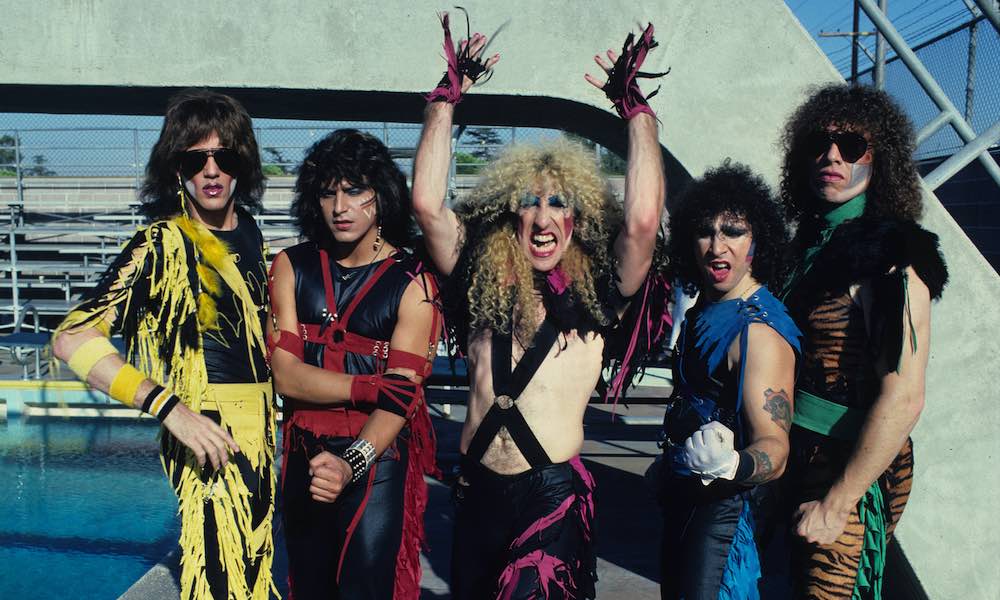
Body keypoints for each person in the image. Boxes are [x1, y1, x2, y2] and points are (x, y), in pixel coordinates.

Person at [411, 13, 666, 600]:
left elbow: (644, 220)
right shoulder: (479, 276)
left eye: (560, 203)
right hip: (475, 491)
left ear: (578, 220)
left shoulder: (600, 290)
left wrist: (636, 113)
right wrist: (447, 97)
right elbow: (427, 204)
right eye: (531, 201)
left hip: (551, 495)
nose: (545, 216)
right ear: (512, 212)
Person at [52, 89, 276, 600]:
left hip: (262, 432)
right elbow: (71, 339)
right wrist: (168, 407)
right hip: (206, 427)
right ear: (177, 169)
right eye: (196, 158)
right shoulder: (159, 244)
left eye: (226, 156)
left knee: (254, 573)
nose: (212, 171)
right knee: (220, 580)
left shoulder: (252, 233)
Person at [778, 84, 948, 599]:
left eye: (852, 147)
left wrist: (839, 500)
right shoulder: (808, 245)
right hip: (798, 455)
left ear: (881, 161)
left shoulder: (891, 255)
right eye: (819, 144)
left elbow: (905, 396)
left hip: (848, 466)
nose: (832, 156)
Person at [267, 129, 442, 599]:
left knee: (366, 590)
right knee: (309, 589)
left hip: (376, 461)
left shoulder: (414, 282)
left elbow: (401, 399)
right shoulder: (291, 264)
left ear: (380, 196)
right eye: (327, 193)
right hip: (303, 455)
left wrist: (351, 463)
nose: (340, 207)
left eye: (354, 190)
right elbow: (285, 376)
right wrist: (370, 386)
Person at [654, 163, 800, 600]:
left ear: (758, 239)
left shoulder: (758, 332)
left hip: (724, 517)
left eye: (733, 231)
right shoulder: (705, 309)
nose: (717, 246)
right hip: (685, 504)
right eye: (705, 231)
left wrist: (735, 464)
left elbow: (776, 446)